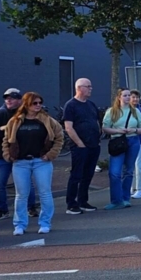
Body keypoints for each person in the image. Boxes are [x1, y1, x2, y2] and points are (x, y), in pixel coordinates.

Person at [1, 92, 64, 235]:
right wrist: (8, 155)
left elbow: (59, 138)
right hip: (20, 162)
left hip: (41, 161)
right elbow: (6, 140)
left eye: (40, 103)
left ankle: (45, 223)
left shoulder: (48, 120)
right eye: (34, 103)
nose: (38, 106)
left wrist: (51, 154)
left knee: (45, 193)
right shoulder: (15, 121)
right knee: (21, 194)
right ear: (27, 104)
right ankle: (19, 225)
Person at [0, 88, 36, 221]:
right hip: (3, 154)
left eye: (12, 98)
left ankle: (31, 207)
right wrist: (8, 132)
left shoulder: (26, 114)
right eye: (6, 98)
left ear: (20, 100)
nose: (8, 100)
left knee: (26, 182)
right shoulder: (1, 113)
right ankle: (3, 209)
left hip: (21, 154)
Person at [63, 78, 101, 215]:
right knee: (76, 175)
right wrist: (79, 143)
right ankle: (71, 203)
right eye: (88, 86)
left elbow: (96, 121)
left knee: (88, 174)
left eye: (91, 86)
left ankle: (83, 201)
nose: (91, 88)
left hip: (93, 145)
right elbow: (68, 127)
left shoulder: (91, 105)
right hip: (80, 146)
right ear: (79, 88)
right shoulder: (71, 105)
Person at [102, 88, 141, 210]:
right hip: (118, 141)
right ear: (119, 97)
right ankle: (116, 200)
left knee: (128, 170)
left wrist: (134, 130)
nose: (128, 97)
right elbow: (105, 128)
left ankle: (125, 198)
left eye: (129, 95)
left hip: (132, 141)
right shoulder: (112, 112)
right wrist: (117, 131)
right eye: (125, 95)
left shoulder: (135, 111)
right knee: (114, 172)